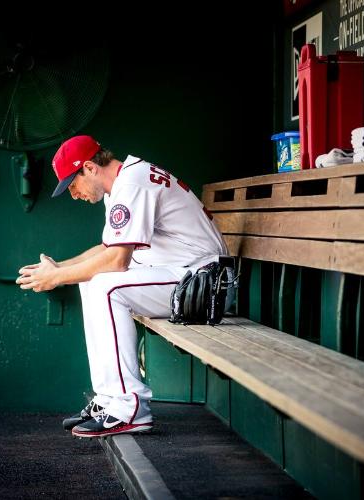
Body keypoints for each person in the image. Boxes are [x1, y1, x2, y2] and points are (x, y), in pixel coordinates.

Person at [16, 135, 229, 438]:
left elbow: (116, 262)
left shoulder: (132, 184)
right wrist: (59, 268)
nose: (73, 194)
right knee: (92, 283)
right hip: (185, 275)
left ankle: (129, 408)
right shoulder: (122, 184)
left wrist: (57, 278)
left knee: (106, 287)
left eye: (72, 184)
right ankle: (108, 400)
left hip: (204, 284)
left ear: (89, 167)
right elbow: (107, 249)